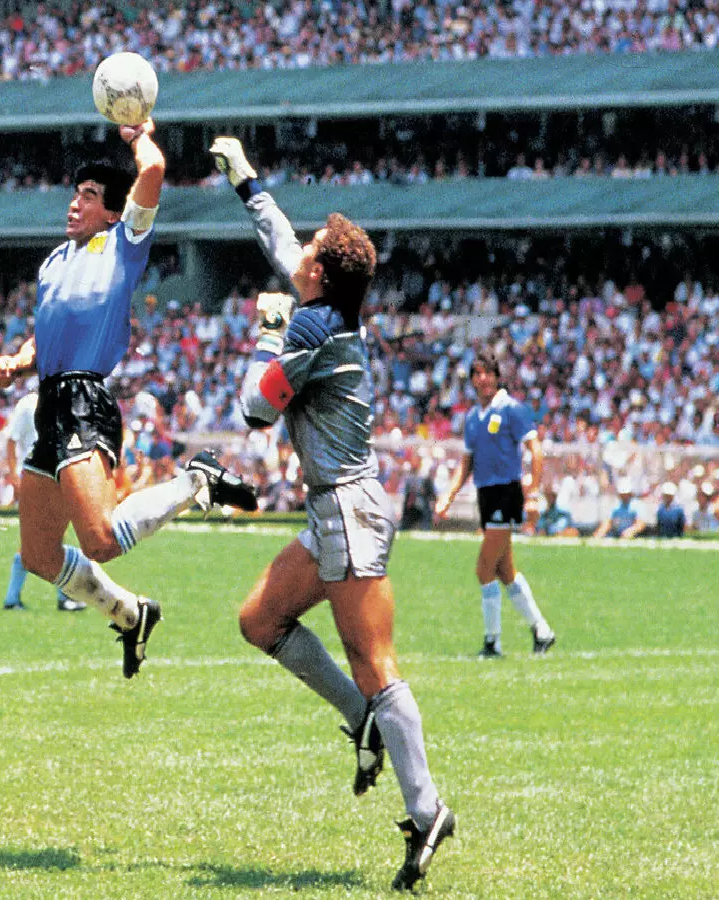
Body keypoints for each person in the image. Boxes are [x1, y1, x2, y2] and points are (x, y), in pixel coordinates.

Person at [210, 136, 454, 892]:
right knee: (260, 620)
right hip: (333, 510)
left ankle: (428, 809)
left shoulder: (313, 331)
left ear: (319, 275)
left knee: (375, 662)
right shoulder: (326, 308)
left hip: (347, 509)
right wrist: (247, 182)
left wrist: (268, 331)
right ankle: (365, 721)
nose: (302, 249)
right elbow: (282, 242)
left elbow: (251, 409)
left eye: (312, 248)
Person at [0, 119, 256, 679]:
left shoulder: (122, 243)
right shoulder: (52, 263)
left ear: (113, 211)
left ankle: (196, 482)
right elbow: (47, 330)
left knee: (102, 539)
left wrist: (139, 133)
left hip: (85, 398)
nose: (74, 203)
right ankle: (131, 613)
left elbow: (154, 170)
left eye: (88, 196)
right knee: (39, 556)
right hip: (48, 401)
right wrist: (19, 360)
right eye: (75, 193)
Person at [433, 349, 557, 658]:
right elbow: (467, 462)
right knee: (505, 571)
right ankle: (542, 630)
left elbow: (535, 450)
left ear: (497, 377)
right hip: (486, 494)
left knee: (483, 567)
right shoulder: (473, 418)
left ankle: (493, 642)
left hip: (506, 492)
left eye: (487, 372)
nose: (482, 378)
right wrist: (448, 495)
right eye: (476, 373)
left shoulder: (512, 410)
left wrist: (532, 493)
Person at [1, 391, 85, 612]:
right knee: (43, 540)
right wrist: (14, 478)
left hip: (55, 478)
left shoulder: (64, 404)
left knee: (48, 538)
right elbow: (11, 440)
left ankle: (15, 598)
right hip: (36, 477)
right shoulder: (29, 404)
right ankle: (60, 598)